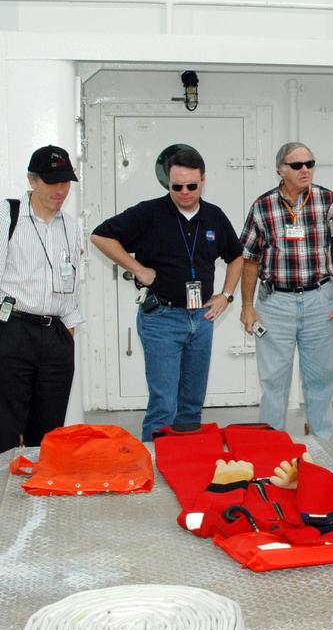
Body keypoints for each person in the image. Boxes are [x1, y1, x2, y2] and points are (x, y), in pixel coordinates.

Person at [90, 145, 243, 441]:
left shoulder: (213, 216)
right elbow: (100, 236)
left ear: (203, 180)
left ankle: (187, 460)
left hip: (202, 319)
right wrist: (138, 268)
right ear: (168, 183)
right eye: (176, 186)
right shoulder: (149, 213)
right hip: (161, 318)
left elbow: (236, 256)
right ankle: (155, 463)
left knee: (192, 403)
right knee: (163, 405)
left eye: (191, 186)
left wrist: (226, 295)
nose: (184, 192)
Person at [0, 145, 85, 459]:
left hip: (56, 335)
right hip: (11, 329)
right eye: (51, 181)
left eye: (65, 182)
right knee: (4, 430)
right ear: (32, 180)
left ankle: (41, 486)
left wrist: (68, 329)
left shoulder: (70, 226)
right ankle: (1, 487)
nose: (60, 190)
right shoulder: (5, 215)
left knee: (48, 433)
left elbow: (73, 284)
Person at [239, 142, 333, 439]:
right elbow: (249, 259)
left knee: (321, 379)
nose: (305, 170)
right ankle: (272, 446)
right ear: (280, 170)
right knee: (273, 381)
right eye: (297, 165)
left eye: (309, 164)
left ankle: (321, 445)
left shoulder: (329, 201)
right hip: (274, 303)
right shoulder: (263, 206)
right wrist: (247, 306)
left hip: (321, 301)